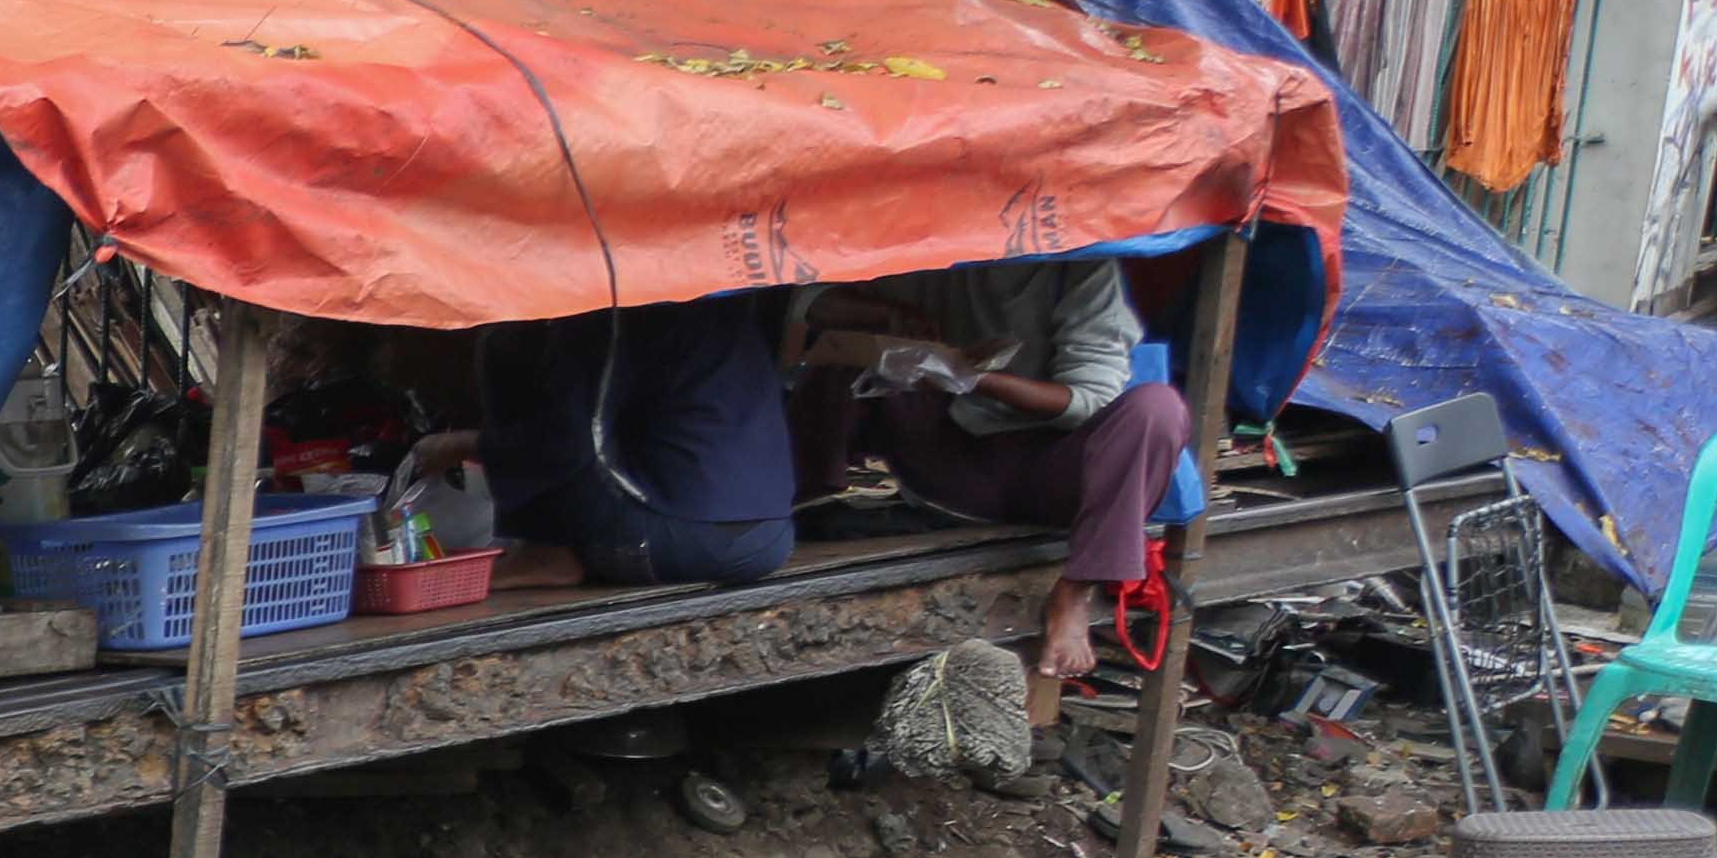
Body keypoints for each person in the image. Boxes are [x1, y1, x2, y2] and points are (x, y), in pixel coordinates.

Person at [784, 256, 1188, 706]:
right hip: (952, 470)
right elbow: (806, 301)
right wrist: (887, 317)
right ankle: (807, 502)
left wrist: (973, 379)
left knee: (1158, 408)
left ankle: (1077, 588)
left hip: (1053, 477)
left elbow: (1089, 401)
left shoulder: (1081, 265)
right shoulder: (931, 241)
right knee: (844, 349)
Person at [399, 295, 797, 592]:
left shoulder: (606, 308)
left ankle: (545, 549)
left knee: (505, 344)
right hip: (772, 536)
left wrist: (462, 445)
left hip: (683, 540)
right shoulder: (719, 297)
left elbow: (565, 447)